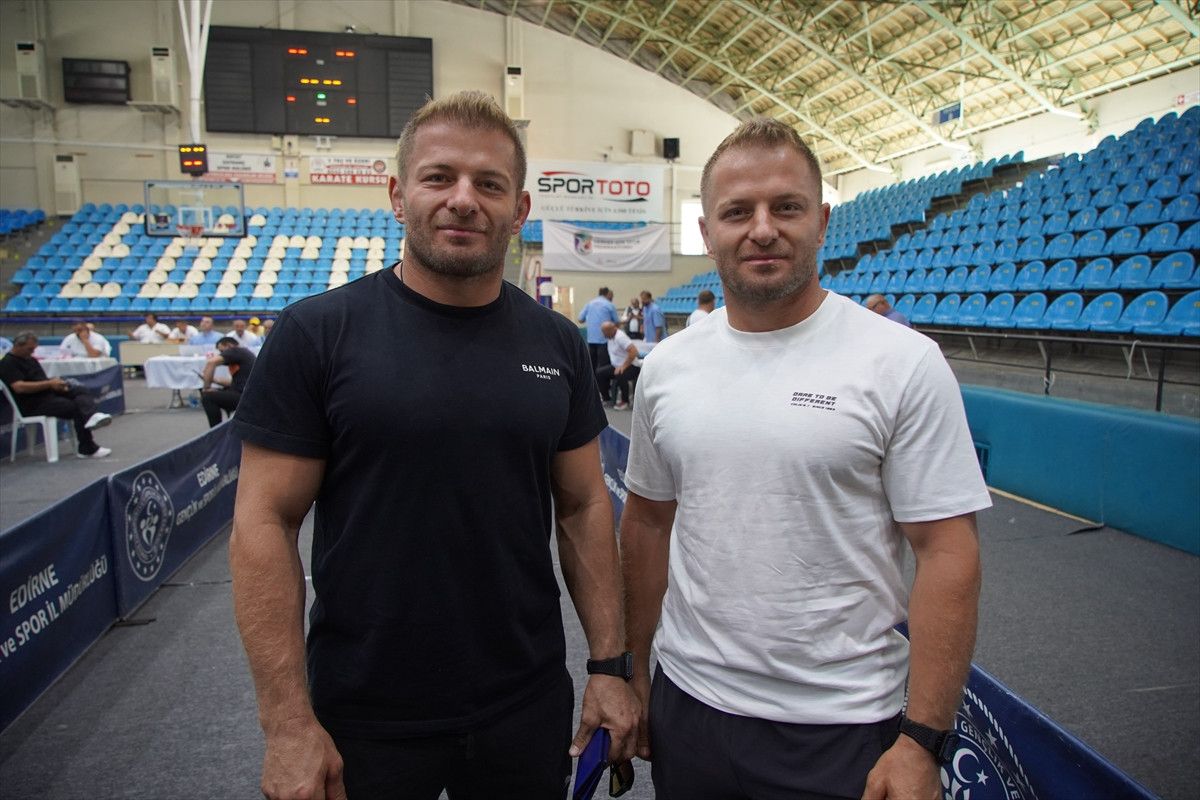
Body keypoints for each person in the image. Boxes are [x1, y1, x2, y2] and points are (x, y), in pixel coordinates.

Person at [228, 90, 638, 800]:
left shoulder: (556, 343)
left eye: (489, 184)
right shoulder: (318, 333)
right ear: (398, 195)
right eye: (439, 177)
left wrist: (609, 666)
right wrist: (287, 722)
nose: (463, 199)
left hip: (524, 702)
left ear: (519, 209)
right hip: (364, 712)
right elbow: (264, 522)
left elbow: (583, 507)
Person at [619, 118, 991, 800]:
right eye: (738, 212)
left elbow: (947, 549)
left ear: (821, 221)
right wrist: (633, 667)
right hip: (690, 707)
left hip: (843, 725)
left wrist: (922, 738)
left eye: (785, 207)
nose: (762, 229)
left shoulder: (902, 362)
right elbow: (646, 522)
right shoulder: (667, 368)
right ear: (707, 232)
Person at [0, 331, 112, 458]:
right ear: (18, 346)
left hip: (47, 394)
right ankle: (87, 447)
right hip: (32, 403)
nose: (32, 352)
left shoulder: (30, 360)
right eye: (29, 349)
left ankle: (92, 416)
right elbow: (19, 387)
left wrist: (57, 384)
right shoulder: (8, 363)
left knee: (80, 390)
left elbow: (41, 380)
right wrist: (49, 384)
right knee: (75, 407)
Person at [198, 336, 256, 428]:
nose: (221, 354)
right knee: (216, 393)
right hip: (246, 394)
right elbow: (233, 383)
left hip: (244, 396)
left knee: (208, 397)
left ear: (228, 345)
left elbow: (211, 363)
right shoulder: (244, 354)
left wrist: (206, 387)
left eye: (221, 351)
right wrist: (214, 380)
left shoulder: (236, 350)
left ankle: (215, 431)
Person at [596, 321, 640, 411]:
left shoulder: (620, 337)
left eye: (605, 333)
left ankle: (625, 401)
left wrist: (623, 366)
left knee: (620, 373)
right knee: (600, 373)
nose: (604, 335)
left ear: (612, 330)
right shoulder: (611, 336)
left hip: (632, 366)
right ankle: (607, 399)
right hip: (617, 365)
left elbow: (634, 351)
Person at [578, 287, 619, 370]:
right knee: (603, 367)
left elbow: (580, 319)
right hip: (605, 340)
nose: (612, 297)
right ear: (608, 294)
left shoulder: (589, 304)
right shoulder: (609, 305)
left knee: (592, 366)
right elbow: (617, 322)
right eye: (611, 295)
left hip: (591, 340)